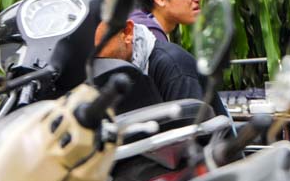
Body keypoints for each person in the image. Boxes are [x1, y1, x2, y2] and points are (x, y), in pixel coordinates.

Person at [94, 18, 227, 117]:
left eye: (100, 48)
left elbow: (191, 140)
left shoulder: (174, 68)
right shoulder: (116, 69)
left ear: (127, 32)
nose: (95, 57)